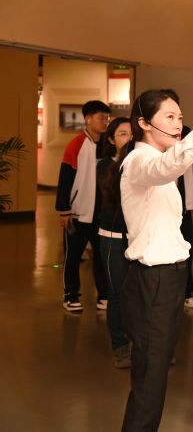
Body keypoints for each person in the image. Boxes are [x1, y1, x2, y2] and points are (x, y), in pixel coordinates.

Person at [114, 89, 193, 431]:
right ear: (144, 123)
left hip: (171, 276)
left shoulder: (159, 161)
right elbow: (166, 166)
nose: (178, 124)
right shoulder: (139, 162)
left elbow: (171, 165)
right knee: (150, 377)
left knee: (156, 369)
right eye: (169, 117)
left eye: (180, 117)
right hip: (154, 279)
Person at [56, 100, 111, 311]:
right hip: (78, 214)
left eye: (107, 118)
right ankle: (71, 296)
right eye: (101, 117)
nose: (105, 121)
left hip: (102, 215)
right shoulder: (76, 144)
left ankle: (104, 296)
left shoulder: (108, 146)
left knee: (102, 257)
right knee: (73, 257)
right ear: (88, 119)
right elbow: (65, 179)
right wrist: (64, 210)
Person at [97, 117, 132, 367]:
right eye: (122, 134)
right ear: (111, 139)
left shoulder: (142, 160)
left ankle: (145, 344)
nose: (129, 138)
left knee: (140, 294)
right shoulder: (106, 165)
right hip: (113, 237)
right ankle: (120, 346)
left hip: (138, 237)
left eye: (132, 133)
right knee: (118, 293)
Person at [177, 125, 193, 308]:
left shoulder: (190, 151)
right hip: (167, 211)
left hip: (185, 210)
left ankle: (186, 293)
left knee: (187, 251)